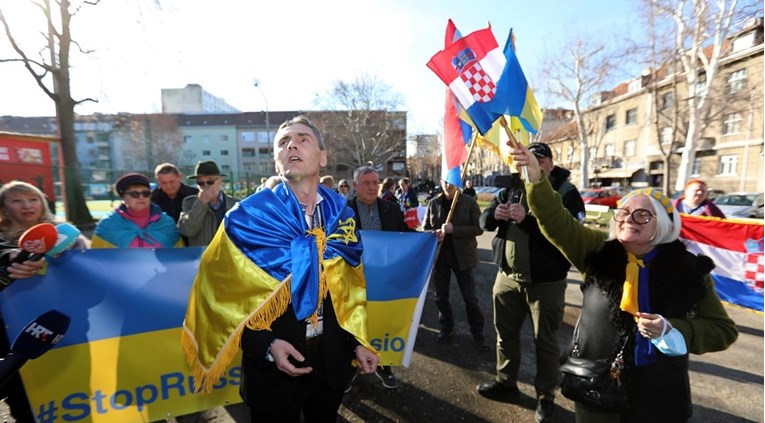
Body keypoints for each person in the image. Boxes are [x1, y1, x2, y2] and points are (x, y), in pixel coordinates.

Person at [509, 143, 738, 423]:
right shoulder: (597, 250)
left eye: (642, 214)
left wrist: (672, 329)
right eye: (624, 212)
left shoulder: (689, 269)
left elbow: (723, 331)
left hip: (658, 399)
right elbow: (556, 221)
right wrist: (536, 177)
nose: (629, 219)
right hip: (595, 390)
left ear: (664, 224)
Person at [182, 116, 378, 422]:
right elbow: (216, 298)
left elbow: (350, 288)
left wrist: (357, 342)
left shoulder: (343, 216)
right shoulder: (245, 219)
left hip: (331, 364)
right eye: (283, 142)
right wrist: (266, 345)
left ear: (322, 157)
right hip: (272, 371)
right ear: (277, 162)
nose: (292, 145)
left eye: (303, 138)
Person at [476, 142, 586, 423]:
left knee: (546, 343)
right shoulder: (512, 186)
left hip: (546, 283)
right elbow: (484, 220)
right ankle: (505, 382)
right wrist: (492, 216)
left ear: (550, 163)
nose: (530, 164)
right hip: (508, 278)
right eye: (526, 159)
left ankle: (545, 398)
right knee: (505, 335)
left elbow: (569, 236)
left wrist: (529, 221)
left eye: (538, 159)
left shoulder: (567, 194)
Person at [345, 165, 412, 391]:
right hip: (353, 281)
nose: (372, 188)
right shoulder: (343, 211)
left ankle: (384, 366)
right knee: (353, 324)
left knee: (381, 322)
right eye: (366, 183)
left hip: (384, 280)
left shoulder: (391, 208)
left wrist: (429, 238)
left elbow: (404, 235)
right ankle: (350, 368)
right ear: (355, 186)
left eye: (375, 183)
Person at [0, 181, 60, 422]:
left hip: (63, 333)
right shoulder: (4, 242)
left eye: (33, 199)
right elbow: (4, 252)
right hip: (13, 339)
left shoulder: (68, 237)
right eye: (17, 200)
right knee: (24, 402)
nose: (26, 206)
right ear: (4, 208)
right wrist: (14, 258)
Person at [423, 179, 488, 351]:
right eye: (445, 181)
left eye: (451, 182)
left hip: (463, 257)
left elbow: (479, 228)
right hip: (440, 257)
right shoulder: (433, 203)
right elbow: (425, 229)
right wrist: (434, 233)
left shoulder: (468, 202)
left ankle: (478, 333)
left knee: (470, 298)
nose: (448, 185)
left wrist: (455, 230)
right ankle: (446, 327)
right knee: (440, 296)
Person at [92, 173, 182, 248]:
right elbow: (97, 261)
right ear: (123, 197)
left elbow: (180, 256)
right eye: (134, 194)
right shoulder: (108, 225)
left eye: (146, 193)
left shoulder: (166, 222)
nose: (141, 197)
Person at [177, 161, 239, 247]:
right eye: (200, 183)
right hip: (202, 257)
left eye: (210, 181)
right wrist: (200, 203)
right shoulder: (189, 202)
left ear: (220, 181)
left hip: (228, 256)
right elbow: (188, 231)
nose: (206, 186)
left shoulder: (235, 204)